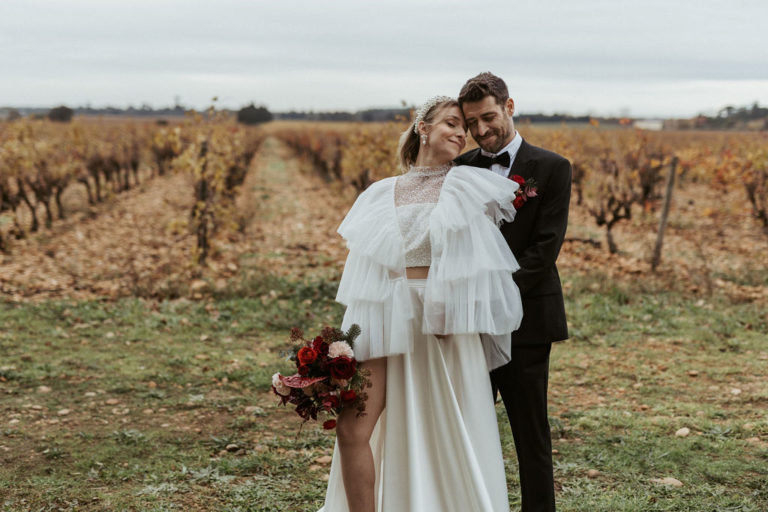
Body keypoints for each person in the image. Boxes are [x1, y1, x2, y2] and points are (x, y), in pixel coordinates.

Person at [318, 96, 525, 512]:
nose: (459, 133)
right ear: (423, 128)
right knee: (351, 428)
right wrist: (350, 339)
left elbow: (480, 267)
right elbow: (365, 274)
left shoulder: (467, 185)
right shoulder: (378, 194)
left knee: (441, 429)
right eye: (450, 123)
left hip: (445, 318)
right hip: (383, 315)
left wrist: (450, 307)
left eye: (462, 127)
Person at [454, 72, 572, 512]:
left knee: (531, 435)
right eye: (471, 123)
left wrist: (492, 294)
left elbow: (545, 249)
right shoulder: (458, 170)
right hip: (467, 322)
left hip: (527, 319)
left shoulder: (553, 167)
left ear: (509, 106)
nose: (482, 130)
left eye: (488, 117)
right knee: (468, 428)